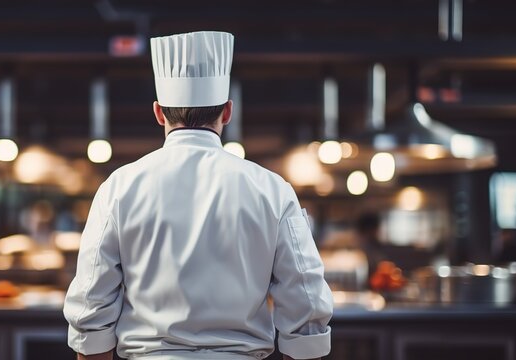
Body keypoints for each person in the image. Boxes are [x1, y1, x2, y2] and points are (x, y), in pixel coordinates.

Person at [64, 31, 332, 360]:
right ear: (228, 112)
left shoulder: (119, 188)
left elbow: (92, 305)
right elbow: (305, 307)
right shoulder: (273, 190)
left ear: (159, 112)